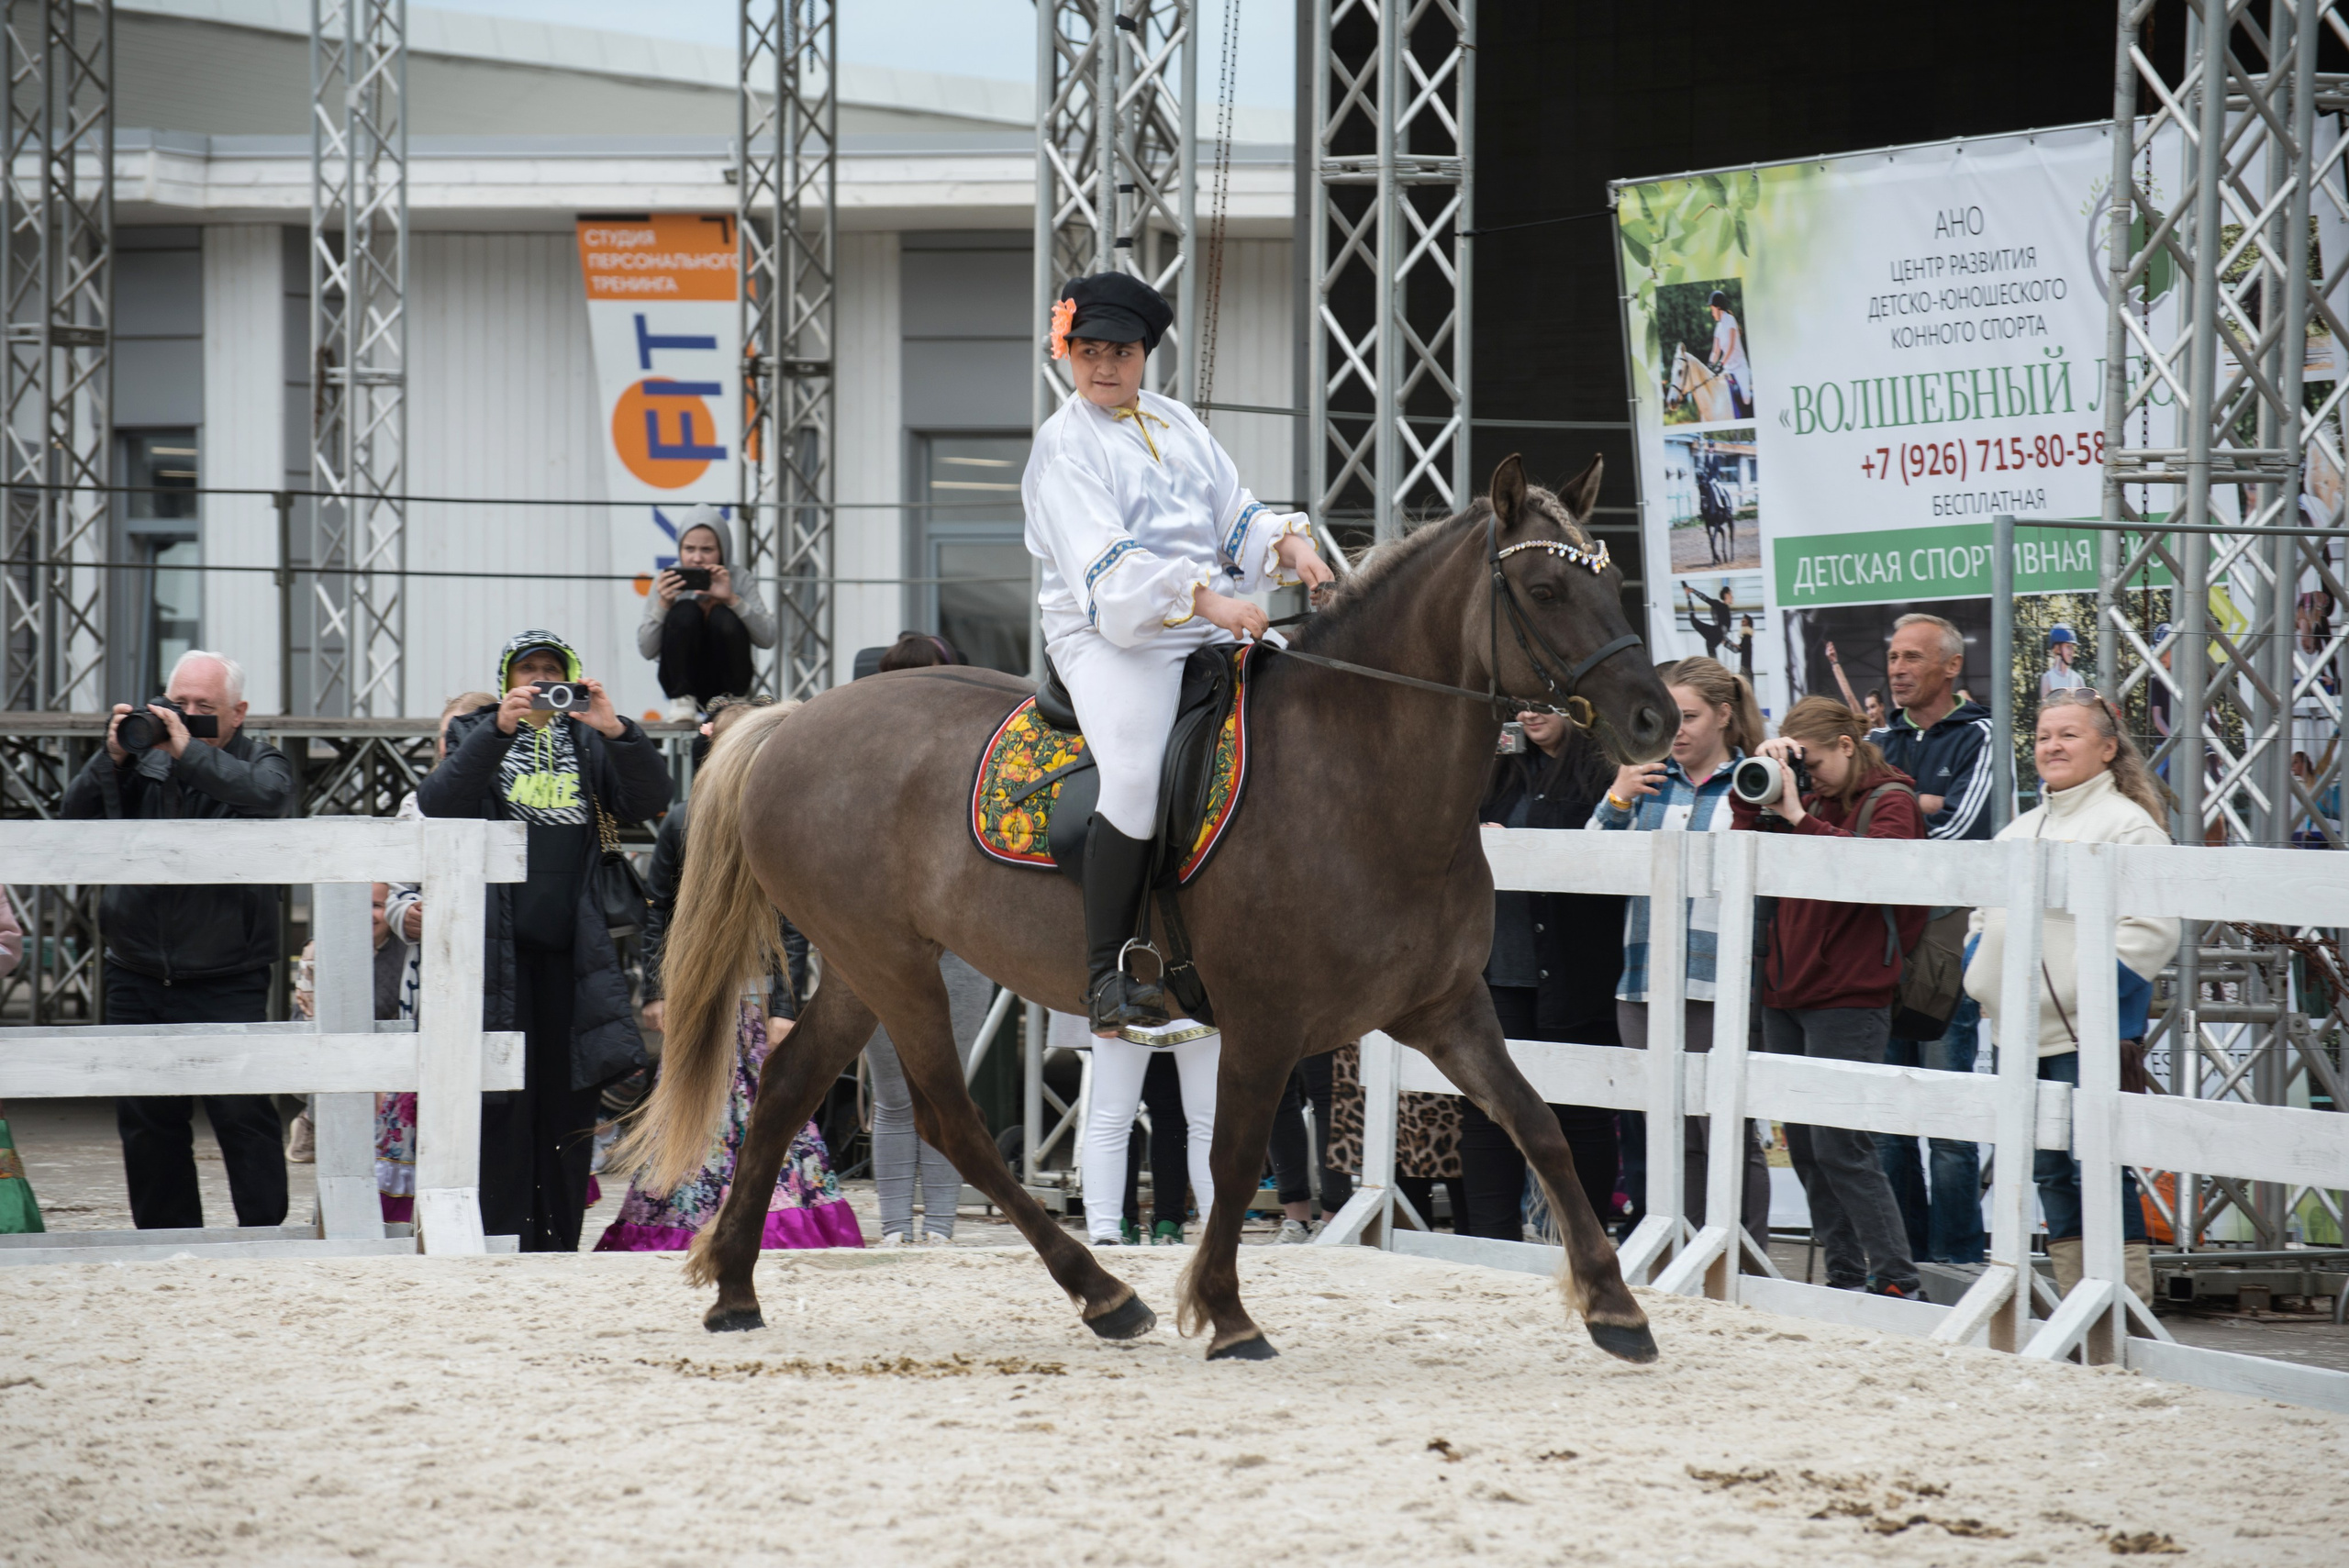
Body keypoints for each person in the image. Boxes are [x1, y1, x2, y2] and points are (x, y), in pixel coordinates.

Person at [1020, 272, 1333, 1034]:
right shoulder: (1063, 445)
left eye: (1121, 352)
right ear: (1067, 351)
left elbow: (1234, 512)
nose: (1104, 366)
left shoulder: (1175, 419)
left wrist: (1290, 546)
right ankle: (1108, 975)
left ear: (1144, 355)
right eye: (1089, 351)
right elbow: (1112, 571)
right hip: (1110, 634)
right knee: (1133, 773)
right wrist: (1212, 602)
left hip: (1208, 616)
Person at [417, 630, 672, 1251]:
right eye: (526, 669)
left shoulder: (589, 738)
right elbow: (438, 802)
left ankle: (556, 1244)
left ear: (572, 678)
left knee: (569, 1103)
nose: (539, 680)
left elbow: (651, 798)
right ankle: (501, 1238)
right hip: (496, 952)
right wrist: (499, 729)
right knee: (503, 1103)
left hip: (574, 952)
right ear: (506, 679)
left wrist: (618, 730)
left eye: (551, 671)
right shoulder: (477, 730)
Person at [601, 699, 861, 1253]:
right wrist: (657, 992)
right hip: (698, 996)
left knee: (771, 1105)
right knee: (694, 1107)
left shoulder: (779, 817)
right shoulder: (682, 819)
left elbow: (793, 920)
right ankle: (687, 1219)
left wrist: (786, 1006)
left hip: (757, 996)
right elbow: (660, 910)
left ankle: (773, 1216)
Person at [60, 651, 295, 1230]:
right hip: (136, 966)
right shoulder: (142, 759)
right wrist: (113, 757)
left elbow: (269, 797)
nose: (185, 715)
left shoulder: (260, 758)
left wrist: (188, 752)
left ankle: (264, 1237)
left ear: (238, 712)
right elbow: (72, 820)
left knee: (242, 1114)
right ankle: (165, 1242)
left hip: (227, 972)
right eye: (177, 703)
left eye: (203, 707)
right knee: (147, 1121)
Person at [1964, 690, 2179, 1305]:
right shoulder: (2018, 830)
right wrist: (1984, 979)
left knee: (2098, 1167)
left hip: (2090, 1036)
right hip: (2017, 1034)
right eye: (2042, 736)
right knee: (2050, 1172)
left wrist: (2072, 993)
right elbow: (1980, 919)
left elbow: (2151, 932)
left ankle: (2125, 1308)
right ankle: (2075, 1306)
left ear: (2108, 748)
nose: (2051, 746)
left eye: (2067, 735)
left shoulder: (2129, 827)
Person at [1731, 697, 1927, 1297]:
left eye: (1812, 763)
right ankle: (1843, 1277)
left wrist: (1796, 813)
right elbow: (1741, 850)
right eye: (1800, 765)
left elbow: (1873, 876)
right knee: (1809, 1150)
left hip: (1851, 995)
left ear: (1847, 745)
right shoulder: (1808, 798)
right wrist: (1760, 785)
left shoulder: (1892, 800)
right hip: (1786, 990)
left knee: (1842, 1146)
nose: (1808, 776)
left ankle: (1897, 1279)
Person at [1589, 655, 1771, 1241]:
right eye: (1668, 716)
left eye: (1689, 716)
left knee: (1724, 1131)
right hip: (1643, 980)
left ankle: (1742, 1257)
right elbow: (1589, 867)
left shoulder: (1755, 781)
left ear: (1724, 715)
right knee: (1666, 1132)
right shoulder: (1645, 781)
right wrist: (1617, 798)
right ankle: (1683, 1252)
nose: (1678, 729)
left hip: (1721, 982)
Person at [1465, 707, 1626, 1240]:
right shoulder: (1497, 767)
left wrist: (1520, 843)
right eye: (1521, 701)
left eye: (1542, 700)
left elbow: (1603, 851)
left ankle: (1584, 1243)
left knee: (1581, 1113)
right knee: (1490, 1111)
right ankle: (1491, 1246)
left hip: (1579, 971)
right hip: (1501, 971)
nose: (1528, 711)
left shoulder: (1605, 768)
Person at [1869, 612, 1994, 1264]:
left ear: (1951, 666)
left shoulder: (1982, 736)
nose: (1897, 669)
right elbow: (1847, 828)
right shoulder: (1872, 740)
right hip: (1878, 949)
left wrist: (1889, 816)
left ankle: (1958, 1264)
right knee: (1887, 1126)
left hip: (1947, 948)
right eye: (1893, 657)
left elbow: (1960, 834)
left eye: (1912, 657)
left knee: (1948, 1124)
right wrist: (1919, 805)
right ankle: (1902, 1265)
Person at [372, 692, 492, 1221]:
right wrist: (407, 914)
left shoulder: (510, 795)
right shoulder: (417, 802)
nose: (453, 744)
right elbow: (395, 889)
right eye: (447, 735)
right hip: (427, 981)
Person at [1069, 1011, 1218, 1248]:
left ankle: (1106, 1235)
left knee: (1111, 1117)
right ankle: (1219, 1233)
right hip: (1191, 1002)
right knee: (1206, 1121)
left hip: (1133, 998)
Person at [639, 505, 776, 718]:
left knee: (723, 615)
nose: (697, 558)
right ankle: (682, 700)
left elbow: (767, 638)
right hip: (681, 683)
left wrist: (732, 599)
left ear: (722, 551)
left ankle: (735, 702)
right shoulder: (667, 581)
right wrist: (664, 604)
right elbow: (646, 650)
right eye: (689, 549)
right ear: (679, 549)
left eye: (707, 550)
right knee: (685, 610)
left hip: (728, 681)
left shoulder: (739, 578)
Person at [1707, 290, 1753, 418]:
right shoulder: (1718, 327)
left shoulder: (1730, 320)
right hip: (1728, 369)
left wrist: (1720, 364)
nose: (1712, 313)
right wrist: (1710, 364)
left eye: (1712, 309)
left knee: (1746, 398)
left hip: (1739, 366)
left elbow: (1731, 347)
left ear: (1718, 307)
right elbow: (1715, 351)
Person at [1683, 581, 1735, 663]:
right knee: (1693, 621)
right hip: (1715, 634)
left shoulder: (1727, 610)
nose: (1732, 597)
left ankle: (1688, 596)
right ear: (1726, 595)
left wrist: (1730, 643)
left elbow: (1725, 629)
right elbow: (1706, 599)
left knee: (1713, 660)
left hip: (1716, 638)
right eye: (1731, 594)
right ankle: (1688, 597)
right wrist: (1694, 591)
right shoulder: (1719, 605)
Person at [2040, 624, 2088, 702]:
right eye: (2068, 647)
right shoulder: (2047, 679)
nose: (2072, 651)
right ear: (2057, 649)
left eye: (2072, 647)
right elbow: (2045, 708)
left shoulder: (2078, 679)